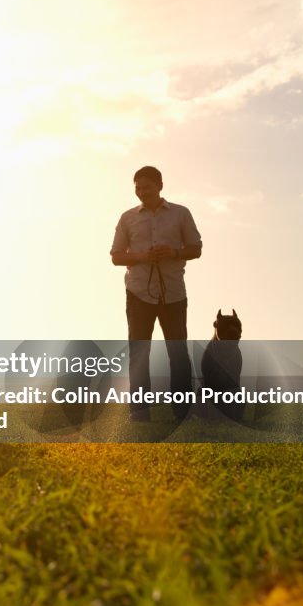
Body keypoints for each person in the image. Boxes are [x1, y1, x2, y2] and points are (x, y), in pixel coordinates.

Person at [111, 166, 202, 421]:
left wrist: (173, 253)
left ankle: (182, 412)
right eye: (138, 187)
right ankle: (139, 413)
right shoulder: (127, 218)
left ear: (160, 186)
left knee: (178, 353)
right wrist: (142, 256)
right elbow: (116, 256)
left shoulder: (181, 214)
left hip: (173, 293)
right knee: (139, 353)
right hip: (138, 293)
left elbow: (196, 248)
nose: (142, 192)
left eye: (147, 186)